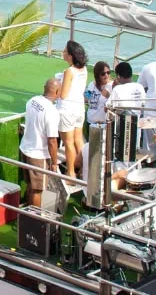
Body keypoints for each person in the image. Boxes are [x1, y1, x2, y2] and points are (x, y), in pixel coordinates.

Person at [18, 79, 60, 207]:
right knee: (38, 190)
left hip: (25, 150)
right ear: (57, 92)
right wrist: (54, 163)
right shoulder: (52, 112)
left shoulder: (32, 100)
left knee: (31, 185)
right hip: (38, 156)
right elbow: (52, 141)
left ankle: (29, 213)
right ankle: (35, 217)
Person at [57, 41, 88, 179]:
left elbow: (63, 94)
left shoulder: (69, 71)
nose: (63, 53)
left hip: (67, 110)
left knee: (68, 142)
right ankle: (84, 169)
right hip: (79, 108)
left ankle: (71, 173)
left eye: (65, 51)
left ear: (70, 56)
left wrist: (57, 85)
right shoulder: (84, 69)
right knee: (78, 139)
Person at [84, 61, 112, 126]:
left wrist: (109, 96)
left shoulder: (112, 86)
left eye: (108, 72)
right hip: (91, 122)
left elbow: (116, 105)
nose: (106, 75)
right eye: (103, 73)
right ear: (97, 75)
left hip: (105, 123)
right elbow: (86, 98)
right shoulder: (91, 85)